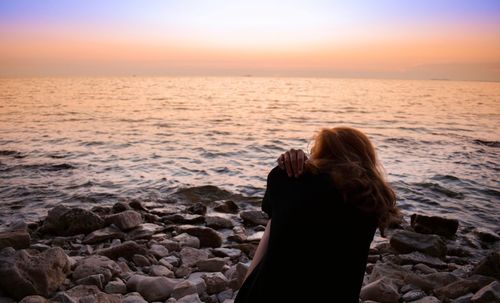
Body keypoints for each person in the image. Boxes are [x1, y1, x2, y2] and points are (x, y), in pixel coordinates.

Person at [234, 126, 401, 303]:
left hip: (265, 296)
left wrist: (287, 164)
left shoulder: (285, 178)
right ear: (365, 158)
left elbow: (273, 221)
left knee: (274, 221)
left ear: (319, 152)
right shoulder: (372, 198)